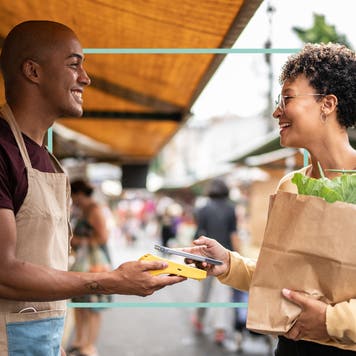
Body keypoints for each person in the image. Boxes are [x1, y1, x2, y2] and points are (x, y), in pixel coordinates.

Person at [0, 21, 184, 355]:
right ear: (32, 71)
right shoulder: (2, 150)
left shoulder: (47, 159)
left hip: (43, 336)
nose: (86, 77)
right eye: (74, 64)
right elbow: (4, 272)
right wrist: (112, 280)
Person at [185, 43, 356, 355]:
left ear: (327, 104)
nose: (277, 111)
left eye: (287, 98)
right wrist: (227, 264)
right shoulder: (290, 185)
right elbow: (280, 279)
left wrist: (332, 320)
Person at [68, 179, 112, 356]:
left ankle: (89, 346)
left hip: (95, 263)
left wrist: (78, 241)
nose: (72, 199)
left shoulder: (94, 210)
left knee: (93, 307)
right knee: (79, 303)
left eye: (73, 195)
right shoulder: (83, 210)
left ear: (79, 194)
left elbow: (103, 238)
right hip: (83, 263)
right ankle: (80, 341)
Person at [191, 178, 238, 345]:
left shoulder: (203, 209)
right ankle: (220, 330)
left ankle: (198, 319)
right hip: (225, 257)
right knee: (223, 295)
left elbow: (197, 235)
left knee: (204, 292)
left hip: (206, 256)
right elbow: (233, 234)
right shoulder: (231, 208)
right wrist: (237, 255)